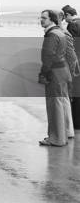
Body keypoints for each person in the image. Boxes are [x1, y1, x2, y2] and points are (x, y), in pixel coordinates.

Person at [39, 10, 73, 146]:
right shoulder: (61, 32)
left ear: (52, 19)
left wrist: (43, 74)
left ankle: (56, 138)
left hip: (55, 72)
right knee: (63, 103)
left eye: (44, 18)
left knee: (55, 105)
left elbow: (47, 58)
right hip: (63, 70)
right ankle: (66, 132)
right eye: (40, 17)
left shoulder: (51, 35)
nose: (41, 20)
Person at [62, 5, 80, 128]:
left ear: (68, 14)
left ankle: (75, 122)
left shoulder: (72, 25)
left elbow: (72, 47)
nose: (64, 20)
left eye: (65, 17)